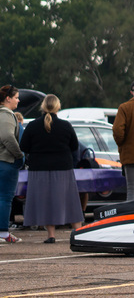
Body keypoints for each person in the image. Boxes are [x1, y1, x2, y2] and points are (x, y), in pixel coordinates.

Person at [19, 94, 83, 243]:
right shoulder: (65, 126)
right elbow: (74, 146)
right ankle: (78, 232)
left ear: (43, 107)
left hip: (38, 170)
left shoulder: (33, 125)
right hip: (63, 169)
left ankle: (51, 235)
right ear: (58, 107)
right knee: (70, 201)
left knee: (46, 201)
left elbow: (24, 147)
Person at [0, 85, 25, 243]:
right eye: (16, 97)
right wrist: (19, 155)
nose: (18, 100)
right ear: (7, 98)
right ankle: (3, 233)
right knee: (5, 197)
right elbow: (7, 136)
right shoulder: (7, 115)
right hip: (6, 162)